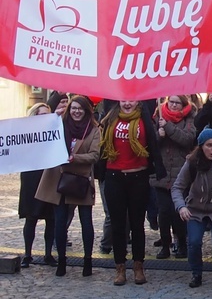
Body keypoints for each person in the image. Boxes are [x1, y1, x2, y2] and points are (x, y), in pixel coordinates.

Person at [100, 100, 166, 286]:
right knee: (118, 225)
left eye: (131, 99)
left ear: (138, 101)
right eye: (124, 99)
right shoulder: (110, 117)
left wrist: (161, 132)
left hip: (138, 176)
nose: (127, 103)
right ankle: (120, 266)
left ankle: (138, 265)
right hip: (114, 176)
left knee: (137, 224)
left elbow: (153, 143)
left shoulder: (145, 118)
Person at [36, 96, 100, 277]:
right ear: (68, 110)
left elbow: (95, 155)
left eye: (80, 108)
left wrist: (75, 158)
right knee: (60, 221)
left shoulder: (94, 129)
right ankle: (61, 261)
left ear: (86, 110)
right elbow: (42, 133)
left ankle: (87, 262)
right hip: (60, 177)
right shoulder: (59, 124)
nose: (76, 111)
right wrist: (52, 117)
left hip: (80, 179)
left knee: (85, 221)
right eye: (73, 108)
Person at [171, 128, 212, 288]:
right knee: (195, 242)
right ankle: (196, 273)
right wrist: (181, 207)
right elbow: (177, 187)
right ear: (201, 146)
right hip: (195, 209)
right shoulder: (191, 163)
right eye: (209, 145)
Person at [151, 95, 196, 260]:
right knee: (163, 212)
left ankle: (182, 244)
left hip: (180, 173)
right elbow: (150, 142)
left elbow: (187, 139)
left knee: (179, 212)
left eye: (178, 103)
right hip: (161, 173)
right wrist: (159, 135)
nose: (174, 105)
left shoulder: (189, 118)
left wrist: (169, 128)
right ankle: (164, 244)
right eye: (172, 102)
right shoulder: (158, 115)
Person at [18, 103, 56, 268]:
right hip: (31, 177)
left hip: (49, 176)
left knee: (51, 217)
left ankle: (48, 254)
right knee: (31, 217)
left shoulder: (53, 132)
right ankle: (28, 254)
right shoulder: (26, 133)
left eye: (48, 114)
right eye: (42, 114)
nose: (45, 118)